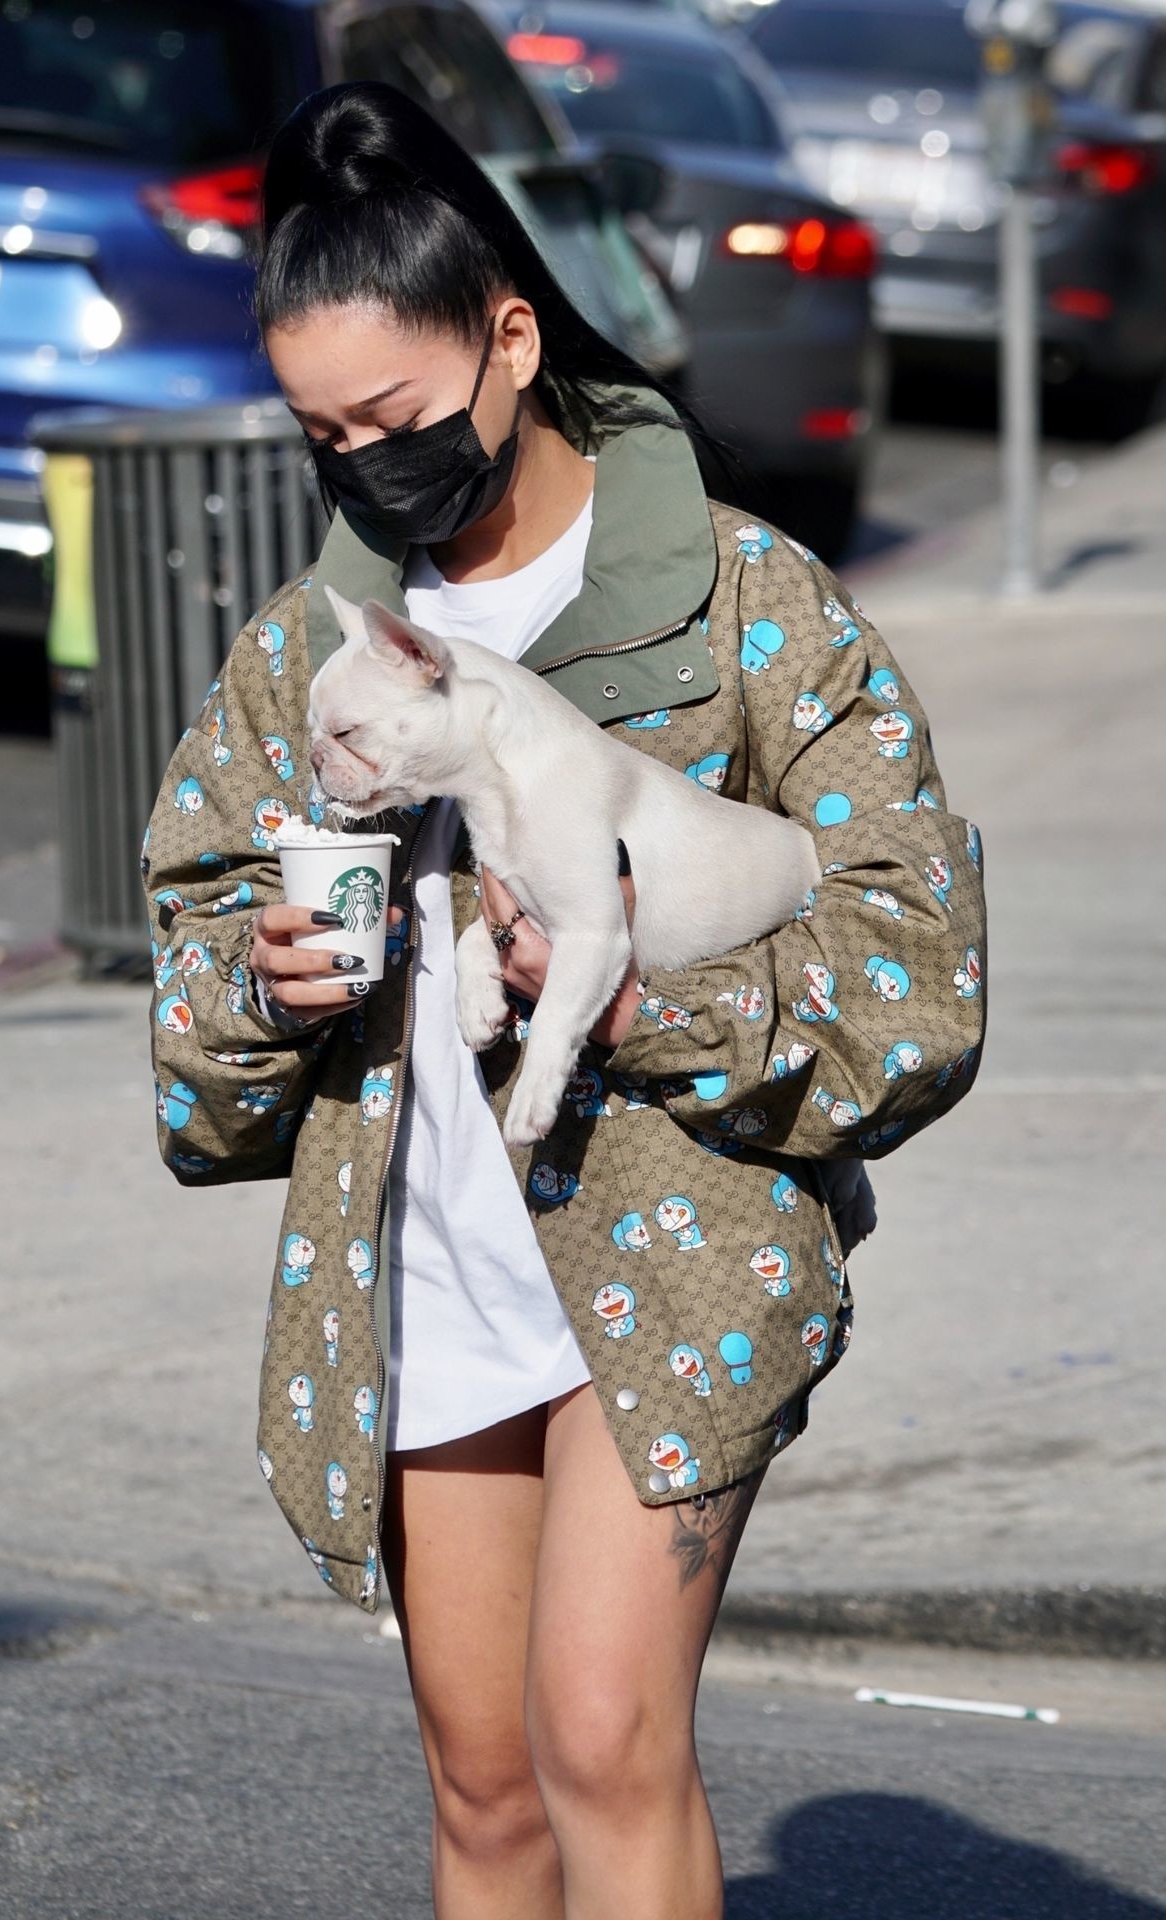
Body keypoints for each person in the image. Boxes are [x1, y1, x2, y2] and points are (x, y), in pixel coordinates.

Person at [142, 80, 987, 1920]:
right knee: (487, 1787)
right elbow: (195, 952)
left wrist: (629, 1008)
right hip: (429, 1257)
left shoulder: (745, 601)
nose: (367, 466)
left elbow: (918, 968)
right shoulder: (310, 652)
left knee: (603, 1740)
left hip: (676, 1257)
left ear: (512, 340)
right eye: (323, 435)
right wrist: (264, 983)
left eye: (395, 418)